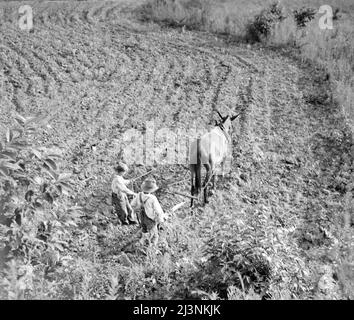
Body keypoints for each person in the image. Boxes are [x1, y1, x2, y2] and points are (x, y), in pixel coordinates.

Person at [131, 177, 167, 247]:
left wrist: (135, 211)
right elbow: (158, 210)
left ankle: (142, 241)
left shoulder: (139, 195)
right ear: (151, 189)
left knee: (144, 229)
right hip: (150, 218)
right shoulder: (152, 198)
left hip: (141, 216)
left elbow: (132, 204)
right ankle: (152, 246)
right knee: (154, 234)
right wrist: (161, 219)